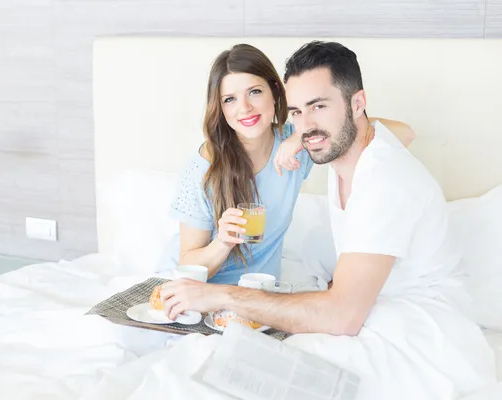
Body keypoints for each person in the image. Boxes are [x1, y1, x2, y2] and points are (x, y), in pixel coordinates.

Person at [160, 41, 495, 396]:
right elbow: (189, 259)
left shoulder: (381, 177)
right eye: (298, 112)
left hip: (420, 333)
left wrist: (222, 297)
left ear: (358, 103)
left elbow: (341, 316)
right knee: (218, 368)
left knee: (241, 370)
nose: (307, 125)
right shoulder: (337, 154)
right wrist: (304, 139)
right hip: (375, 310)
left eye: (319, 106)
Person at [163, 43, 414, 285]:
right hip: (199, 295)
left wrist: (297, 139)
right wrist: (223, 243)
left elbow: (404, 133)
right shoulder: (202, 169)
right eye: (230, 99)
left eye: (254, 92)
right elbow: (187, 267)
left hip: (259, 297)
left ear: (275, 93)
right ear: (220, 108)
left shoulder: (296, 141)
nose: (245, 108)